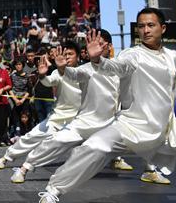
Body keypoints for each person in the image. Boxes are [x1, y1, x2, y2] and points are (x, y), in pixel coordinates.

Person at [37, 8, 176, 203]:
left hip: (167, 131)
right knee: (94, 145)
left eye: (150, 25)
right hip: (129, 127)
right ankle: (51, 191)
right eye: (141, 26)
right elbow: (116, 67)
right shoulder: (132, 55)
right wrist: (97, 60)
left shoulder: (172, 56)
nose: (145, 30)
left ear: (163, 28)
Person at [8, 30, 134, 184]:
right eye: (92, 43)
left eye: (100, 43)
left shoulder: (119, 69)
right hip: (84, 123)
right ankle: (24, 168)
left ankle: (148, 169)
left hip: (110, 125)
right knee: (56, 141)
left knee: (141, 139)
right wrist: (62, 69)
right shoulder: (86, 69)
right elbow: (73, 74)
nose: (96, 47)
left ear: (109, 46)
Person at [0, 43, 82, 169]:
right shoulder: (57, 72)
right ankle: (6, 157)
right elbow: (49, 81)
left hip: (80, 119)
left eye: (70, 54)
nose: (67, 57)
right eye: (65, 54)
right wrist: (42, 76)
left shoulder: (85, 72)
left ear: (78, 57)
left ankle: (115, 159)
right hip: (58, 117)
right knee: (32, 136)